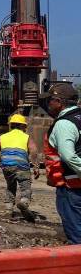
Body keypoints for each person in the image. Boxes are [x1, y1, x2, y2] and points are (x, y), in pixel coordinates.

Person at [0, 113, 39, 220]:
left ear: (11, 125)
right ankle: (24, 202)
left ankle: (8, 210)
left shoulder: (3, 137)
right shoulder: (26, 137)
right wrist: (36, 166)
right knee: (25, 187)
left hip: (7, 166)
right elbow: (33, 151)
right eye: (25, 126)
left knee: (10, 187)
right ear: (22, 126)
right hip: (21, 165)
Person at [43, 82, 81, 244]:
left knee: (77, 235)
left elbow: (68, 156)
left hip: (71, 187)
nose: (48, 104)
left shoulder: (64, 123)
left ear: (59, 102)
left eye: (50, 100)